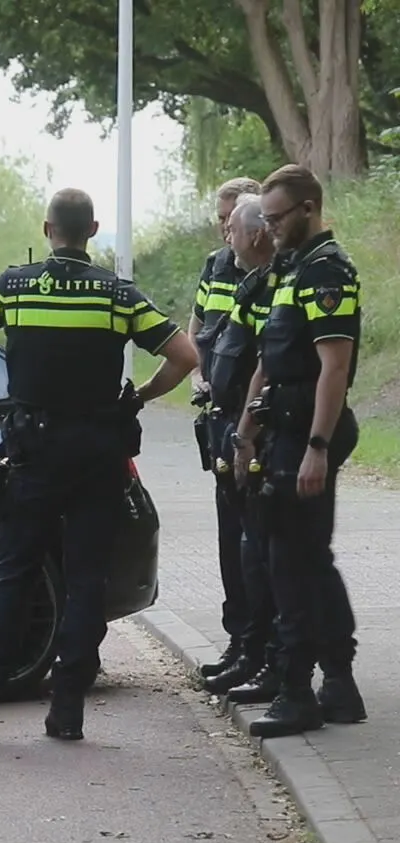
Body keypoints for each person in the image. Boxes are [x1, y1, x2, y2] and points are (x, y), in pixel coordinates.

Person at [0, 187, 202, 744]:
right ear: (93, 229)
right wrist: (141, 396)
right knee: (85, 581)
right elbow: (185, 356)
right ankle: (68, 710)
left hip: (33, 450)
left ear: (46, 229)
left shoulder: (13, 286)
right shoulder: (117, 296)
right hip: (98, 454)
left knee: (10, 575)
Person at [230, 163, 365, 738]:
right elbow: (268, 359)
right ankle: (338, 682)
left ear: (308, 209)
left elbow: (334, 367)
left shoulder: (327, 272)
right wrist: (244, 431)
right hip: (280, 428)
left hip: (306, 433)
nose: (271, 227)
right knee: (307, 559)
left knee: (291, 563)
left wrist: (317, 447)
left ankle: (297, 691)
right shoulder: (290, 269)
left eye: (279, 217)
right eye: (266, 217)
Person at [200, 193, 283, 703]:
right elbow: (214, 340)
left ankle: (276, 660)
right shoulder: (238, 276)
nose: (225, 233)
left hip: (264, 433)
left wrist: (248, 429)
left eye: (230, 224)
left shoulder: (288, 280)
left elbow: (268, 363)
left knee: (269, 552)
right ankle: (250, 650)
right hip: (230, 424)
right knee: (241, 547)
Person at [187, 177, 261, 682]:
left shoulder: (265, 273)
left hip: (252, 421)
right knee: (228, 536)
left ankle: (263, 646)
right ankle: (239, 641)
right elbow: (195, 330)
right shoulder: (216, 266)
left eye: (229, 218)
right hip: (217, 419)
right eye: (220, 217)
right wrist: (197, 372)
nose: (222, 227)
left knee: (255, 540)